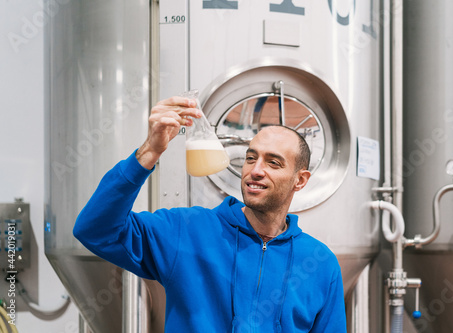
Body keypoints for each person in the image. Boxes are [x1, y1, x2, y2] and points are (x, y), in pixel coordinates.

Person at [73, 96, 347, 332]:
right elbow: (96, 230)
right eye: (251, 158)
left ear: (300, 180)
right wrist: (150, 150)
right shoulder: (186, 230)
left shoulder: (320, 263)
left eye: (273, 163)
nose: (255, 170)